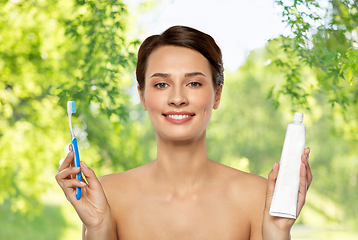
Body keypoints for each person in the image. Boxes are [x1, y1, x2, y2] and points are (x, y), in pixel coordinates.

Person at [56, 26, 313, 240]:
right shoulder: (108, 195)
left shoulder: (257, 197)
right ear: (142, 95)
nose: (177, 98)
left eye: (193, 83)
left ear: (217, 94)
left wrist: (277, 232)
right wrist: (97, 227)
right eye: (161, 84)